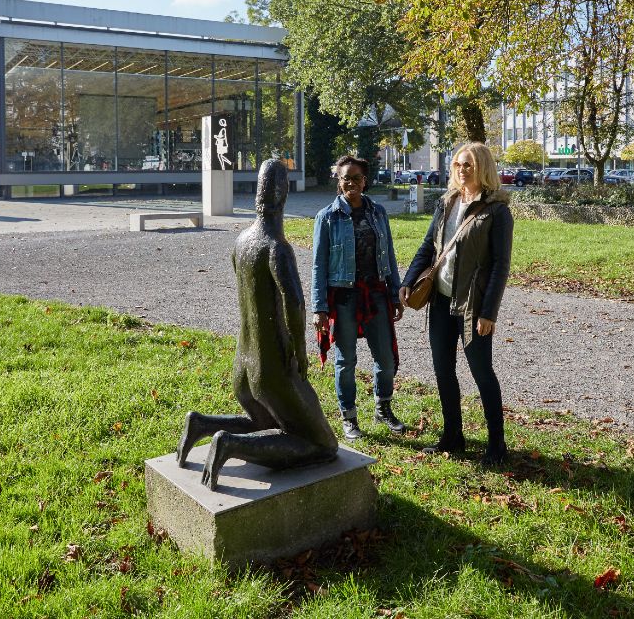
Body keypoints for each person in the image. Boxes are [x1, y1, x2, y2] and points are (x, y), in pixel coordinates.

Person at [177, 159, 337, 490]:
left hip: (243, 365)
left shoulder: (242, 242)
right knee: (323, 444)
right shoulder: (276, 248)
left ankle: (201, 424)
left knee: (264, 422)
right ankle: (229, 443)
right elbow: (294, 302)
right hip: (271, 367)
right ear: (284, 195)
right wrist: (300, 353)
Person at [400, 142, 513, 463]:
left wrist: (489, 312)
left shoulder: (497, 211)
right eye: (458, 165)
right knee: (443, 371)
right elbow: (428, 248)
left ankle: (497, 446)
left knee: (482, 372)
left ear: (483, 169)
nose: (462, 171)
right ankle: (453, 436)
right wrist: (408, 281)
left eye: (469, 165)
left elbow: (500, 265)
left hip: (472, 306)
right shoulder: (446, 202)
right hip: (441, 301)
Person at [312, 155, 405, 440]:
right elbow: (318, 264)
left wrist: (395, 292)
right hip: (343, 297)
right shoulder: (326, 217)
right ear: (339, 182)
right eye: (345, 178)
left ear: (365, 181)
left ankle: (383, 408)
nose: (350, 182)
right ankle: (349, 417)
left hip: (376, 294)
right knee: (346, 360)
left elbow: (388, 253)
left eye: (356, 178)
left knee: (386, 359)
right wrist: (319, 307)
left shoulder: (377, 212)